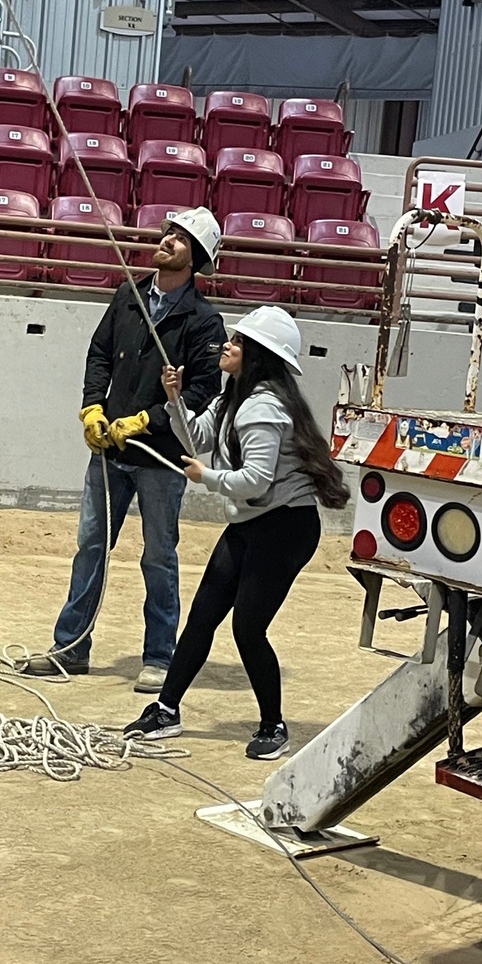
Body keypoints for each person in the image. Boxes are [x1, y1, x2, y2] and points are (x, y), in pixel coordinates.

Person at [123, 306, 350, 757]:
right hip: (252, 522)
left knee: (248, 628)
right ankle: (166, 710)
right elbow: (197, 438)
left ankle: (273, 725)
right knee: (204, 614)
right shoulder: (235, 397)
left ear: (259, 355)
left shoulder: (264, 408)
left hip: (285, 528)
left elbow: (256, 481)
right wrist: (175, 400)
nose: (227, 345)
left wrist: (205, 478)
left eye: (239, 341)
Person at [26, 207, 227, 693]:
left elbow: (202, 391)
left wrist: (147, 420)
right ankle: (71, 647)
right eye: (168, 233)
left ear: (196, 257)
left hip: (160, 458)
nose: (167, 240)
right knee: (90, 547)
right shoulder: (128, 295)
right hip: (108, 454)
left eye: (180, 238)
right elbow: (99, 353)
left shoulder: (204, 322)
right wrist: (92, 408)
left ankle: (160, 657)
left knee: (158, 556)